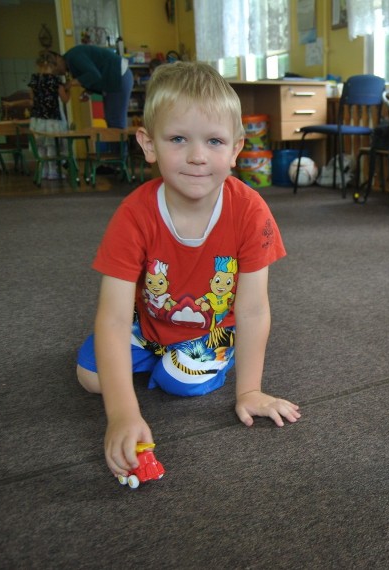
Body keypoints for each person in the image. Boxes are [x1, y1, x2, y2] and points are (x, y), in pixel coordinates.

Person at [76, 61, 300, 478]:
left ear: (235, 150)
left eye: (214, 141)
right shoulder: (133, 215)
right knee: (90, 376)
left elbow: (252, 310)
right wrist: (123, 414)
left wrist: (249, 390)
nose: (197, 156)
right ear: (148, 144)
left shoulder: (250, 211)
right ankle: (150, 363)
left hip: (210, 329)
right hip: (150, 324)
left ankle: (209, 355)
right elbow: (113, 316)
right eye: (178, 138)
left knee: (181, 382)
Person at [58, 44, 133, 129]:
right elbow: (96, 74)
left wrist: (71, 83)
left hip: (118, 75)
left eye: (55, 68)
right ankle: (118, 141)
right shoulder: (72, 61)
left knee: (115, 122)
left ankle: (120, 142)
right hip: (116, 77)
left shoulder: (73, 57)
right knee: (112, 121)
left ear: (58, 59)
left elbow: (94, 75)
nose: (57, 72)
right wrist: (88, 91)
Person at [28, 50, 70, 179]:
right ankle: (53, 171)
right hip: (52, 119)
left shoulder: (34, 80)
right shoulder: (56, 81)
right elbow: (65, 99)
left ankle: (43, 171)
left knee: (40, 146)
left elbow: (32, 99)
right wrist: (69, 90)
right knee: (52, 145)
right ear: (54, 65)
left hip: (37, 119)